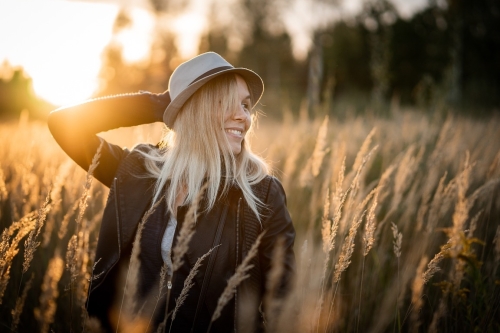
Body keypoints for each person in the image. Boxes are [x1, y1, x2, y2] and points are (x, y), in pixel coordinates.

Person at [48, 52, 295, 332]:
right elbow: (63, 123)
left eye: (246, 104)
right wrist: (161, 105)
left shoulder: (262, 194)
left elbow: (283, 302)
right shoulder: (140, 172)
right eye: (228, 102)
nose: (244, 116)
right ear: (195, 108)